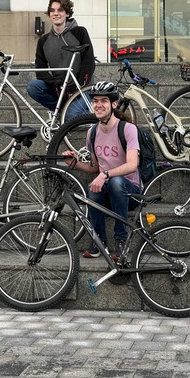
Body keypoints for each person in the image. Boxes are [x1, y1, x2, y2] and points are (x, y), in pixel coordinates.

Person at [62, 81, 141, 258]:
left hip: (130, 193)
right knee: (93, 188)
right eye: (95, 101)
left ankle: (122, 239)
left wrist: (104, 175)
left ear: (114, 104)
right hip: (108, 194)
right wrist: (73, 163)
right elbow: (95, 167)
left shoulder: (128, 129)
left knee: (115, 181)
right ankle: (99, 242)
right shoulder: (92, 132)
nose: (98, 105)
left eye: (104, 101)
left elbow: (132, 165)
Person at [28, 0, 95, 121]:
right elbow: (40, 71)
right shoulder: (43, 41)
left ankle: (79, 110)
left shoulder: (79, 32)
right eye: (52, 10)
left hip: (81, 89)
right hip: (59, 90)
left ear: (67, 13)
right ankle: (61, 110)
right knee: (33, 86)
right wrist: (56, 83)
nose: (56, 13)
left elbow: (89, 61)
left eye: (60, 10)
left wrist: (80, 84)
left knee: (70, 116)